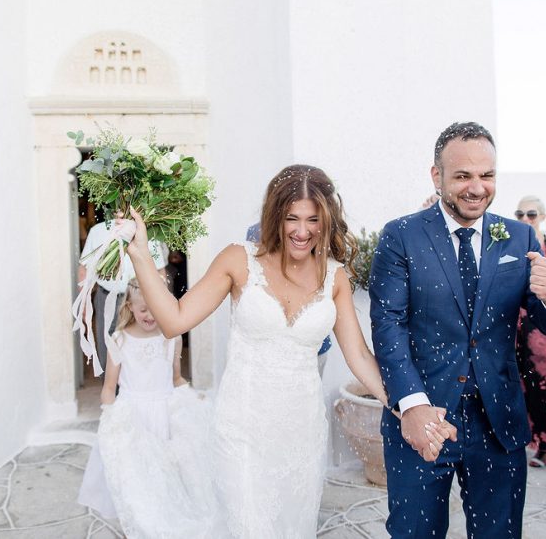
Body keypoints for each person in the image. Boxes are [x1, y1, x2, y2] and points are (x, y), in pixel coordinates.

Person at [124, 164, 455, 537]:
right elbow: (175, 319)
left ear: (327, 219)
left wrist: (410, 407)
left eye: (313, 219)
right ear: (274, 216)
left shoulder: (335, 277)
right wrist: (140, 256)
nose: (302, 231)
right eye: (291, 218)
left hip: (302, 436)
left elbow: (359, 357)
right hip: (241, 431)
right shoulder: (238, 260)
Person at [369, 121, 546, 538]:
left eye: (487, 175)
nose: (477, 187)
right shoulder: (401, 235)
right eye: (463, 175)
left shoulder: (519, 237)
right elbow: (388, 325)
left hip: (498, 424)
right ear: (437, 175)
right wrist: (411, 405)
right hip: (426, 415)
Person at [77, 279, 213, 536]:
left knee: (164, 475)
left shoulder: (171, 337)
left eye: (155, 308)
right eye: (143, 310)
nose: (150, 315)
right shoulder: (119, 340)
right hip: (133, 417)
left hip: (163, 415)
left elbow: (175, 378)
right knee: (137, 479)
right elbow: (109, 387)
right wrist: (110, 418)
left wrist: (192, 397)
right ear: (129, 306)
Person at [513, 195, 546, 468]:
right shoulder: (513, 242)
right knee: (520, 381)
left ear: (542, 216)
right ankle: (523, 436)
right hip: (517, 320)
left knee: (544, 383)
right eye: (520, 214)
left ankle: (545, 445)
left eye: (531, 214)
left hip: (542, 321)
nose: (525, 219)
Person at [78, 220, 167, 374]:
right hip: (105, 297)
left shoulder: (147, 231)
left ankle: (135, 385)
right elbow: (84, 269)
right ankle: (111, 390)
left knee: (137, 344)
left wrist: (162, 304)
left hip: (139, 299)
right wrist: (84, 304)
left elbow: (159, 271)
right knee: (107, 345)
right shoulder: (97, 230)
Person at [245, 222, 332, 375]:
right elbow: (250, 283)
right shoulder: (256, 232)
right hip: (267, 352)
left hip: (313, 348)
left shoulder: (320, 228)